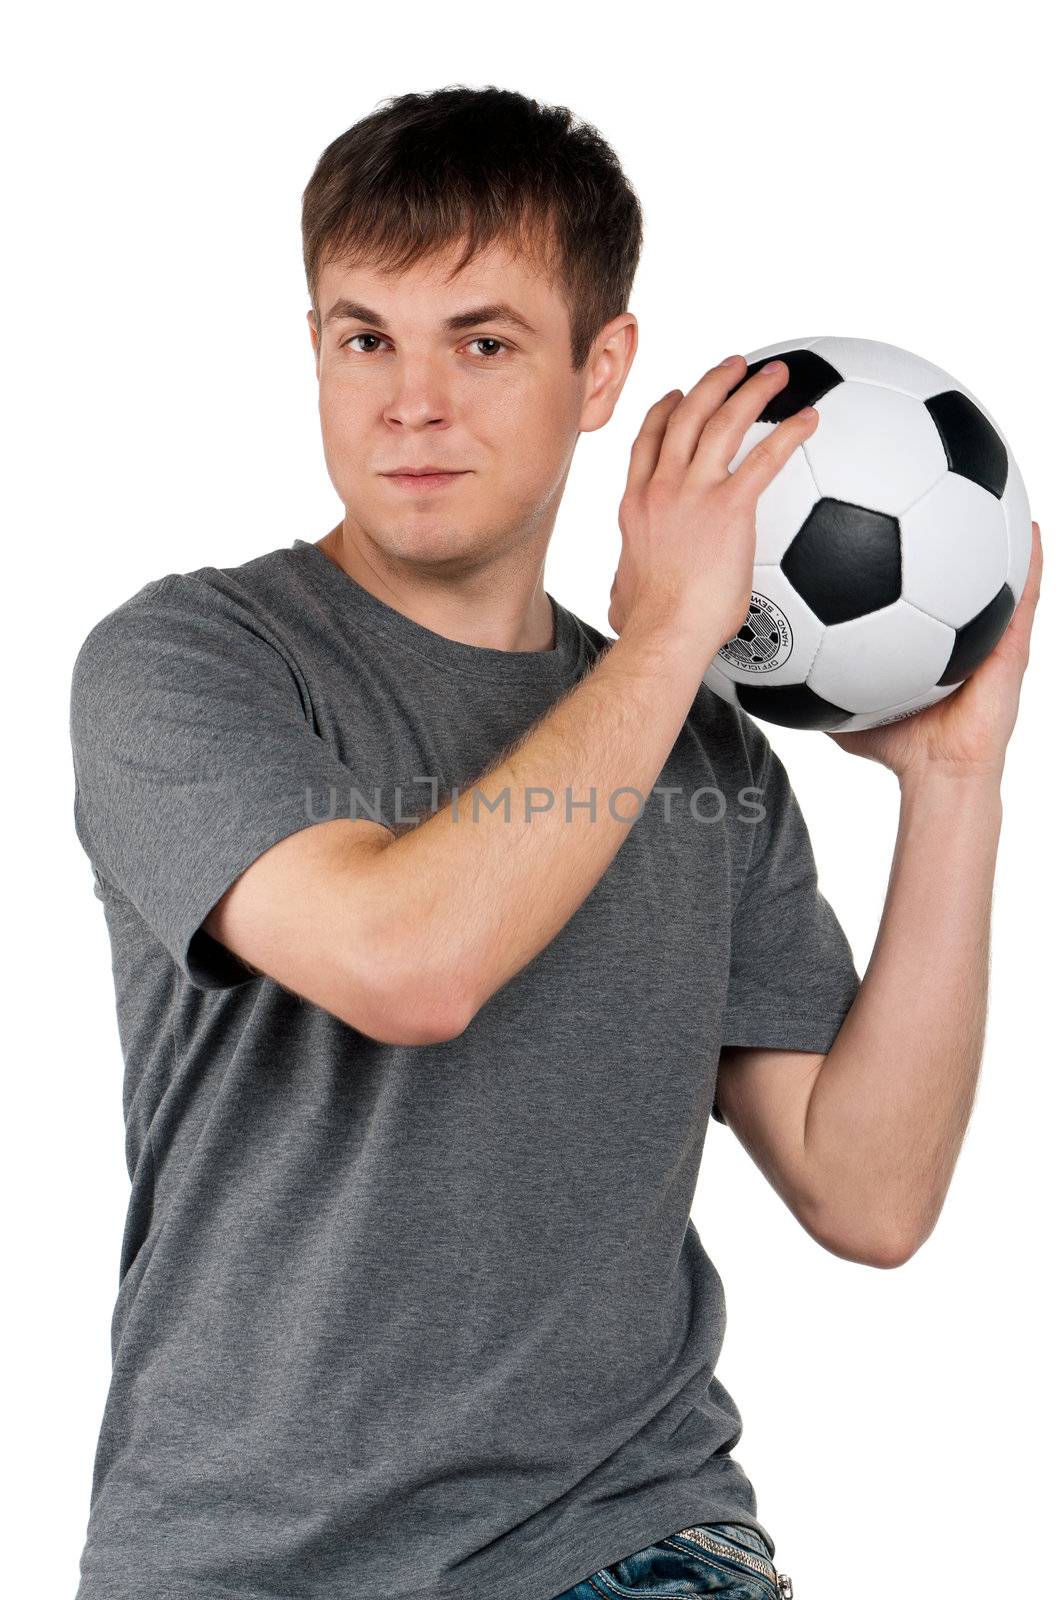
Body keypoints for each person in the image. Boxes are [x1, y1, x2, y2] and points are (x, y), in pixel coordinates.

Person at [68, 85, 1041, 1600]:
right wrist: (669, 640)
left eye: (486, 340)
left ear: (604, 372)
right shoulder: (191, 660)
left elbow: (872, 1191)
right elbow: (406, 963)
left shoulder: (704, 750)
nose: (411, 402)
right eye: (363, 336)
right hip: (240, 1561)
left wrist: (956, 785)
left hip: (623, 1537)